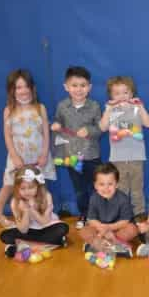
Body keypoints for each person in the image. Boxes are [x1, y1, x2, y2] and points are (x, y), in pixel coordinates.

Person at [0, 69, 56, 228]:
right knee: (9, 184)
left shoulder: (39, 108)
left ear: (32, 88)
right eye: (18, 87)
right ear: (12, 91)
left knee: (39, 185)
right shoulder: (8, 110)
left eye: (26, 86)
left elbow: (46, 133)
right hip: (18, 156)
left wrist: (44, 154)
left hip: (37, 155)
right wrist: (14, 156)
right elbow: (7, 135)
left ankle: (40, 214)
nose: (23, 91)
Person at [51, 66, 102, 229]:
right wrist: (56, 125)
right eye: (74, 85)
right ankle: (84, 214)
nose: (79, 89)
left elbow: (100, 128)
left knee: (97, 188)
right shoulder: (62, 106)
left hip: (92, 155)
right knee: (80, 190)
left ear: (89, 87)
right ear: (66, 86)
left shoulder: (94, 106)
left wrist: (90, 130)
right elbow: (57, 121)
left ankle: (98, 215)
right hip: (72, 156)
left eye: (83, 85)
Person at [100, 76, 149, 222]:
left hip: (136, 156)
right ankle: (121, 215)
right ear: (111, 95)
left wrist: (141, 107)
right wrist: (108, 110)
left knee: (137, 188)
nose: (122, 96)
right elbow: (103, 127)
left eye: (125, 92)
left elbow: (148, 124)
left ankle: (139, 214)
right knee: (121, 189)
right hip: (118, 158)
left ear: (132, 93)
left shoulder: (137, 108)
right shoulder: (111, 109)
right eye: (117, 93)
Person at [0, 165, 68, 258]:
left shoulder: (46, 196)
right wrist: (26, 211)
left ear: (38, 186)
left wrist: (32, 210)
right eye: (22, 188)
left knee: (62, 228)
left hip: (46, 228)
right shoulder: (15, 202)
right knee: (5, 235)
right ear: (17, 188)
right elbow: (23, 230)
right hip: (28, 231)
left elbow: (44, 222)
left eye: (31, 187)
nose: (27, 191)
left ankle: (24, 245)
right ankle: (47, 244)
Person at [79, 163, 139, 258]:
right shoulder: (93, 198)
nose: (106, 188)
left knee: (132, 229)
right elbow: (91, 220)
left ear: (117, 184)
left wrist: (109, 228)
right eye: (102, 184)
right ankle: (113, 246)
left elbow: (125, 221)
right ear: (95, 185)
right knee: (84, 231)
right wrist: (103, 229)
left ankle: (100, 245)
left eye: (110, 184)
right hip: (100, 230)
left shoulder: (123, 199)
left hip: (117, 230)